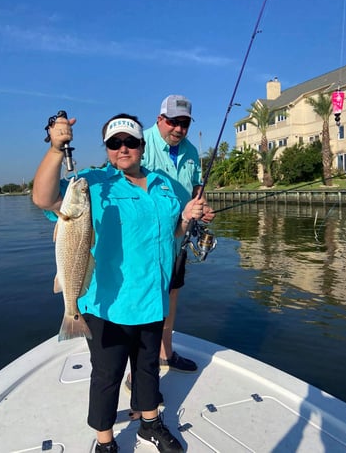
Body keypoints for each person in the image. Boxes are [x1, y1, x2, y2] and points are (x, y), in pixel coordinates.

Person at [32, 113, 206, 453]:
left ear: (142, 145)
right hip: (107, 303)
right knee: (107, 375)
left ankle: (150, 425)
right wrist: (56, 149)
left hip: (152, 297)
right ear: (107, 149)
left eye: (129, 142)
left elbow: (172, 233)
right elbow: (44, 199)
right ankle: (105, 441)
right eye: (114, 143)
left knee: (147, 368)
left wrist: (186, 219)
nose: (122, 149)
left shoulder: (162, 184)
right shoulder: (92, 183)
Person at [125, 95, 214, 395]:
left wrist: (202, 205)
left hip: (179, 236)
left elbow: (196, 185)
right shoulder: (141, 142)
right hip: (146, 240)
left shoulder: (190, 150)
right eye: (173, 121)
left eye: (184, 123)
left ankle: (166, 352)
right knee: (143, 302)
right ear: (160, 118)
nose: (178, 129)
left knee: (171, 295)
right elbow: (123, 181)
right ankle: (134, 372)